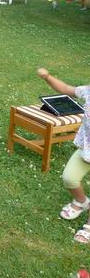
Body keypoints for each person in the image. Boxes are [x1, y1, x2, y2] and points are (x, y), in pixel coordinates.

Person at [37, 68, 90, 242]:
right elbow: (66, 88)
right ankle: (81, 202)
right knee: (69, 178)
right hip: (87, 149)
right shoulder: (88, 92)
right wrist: (47, 77)